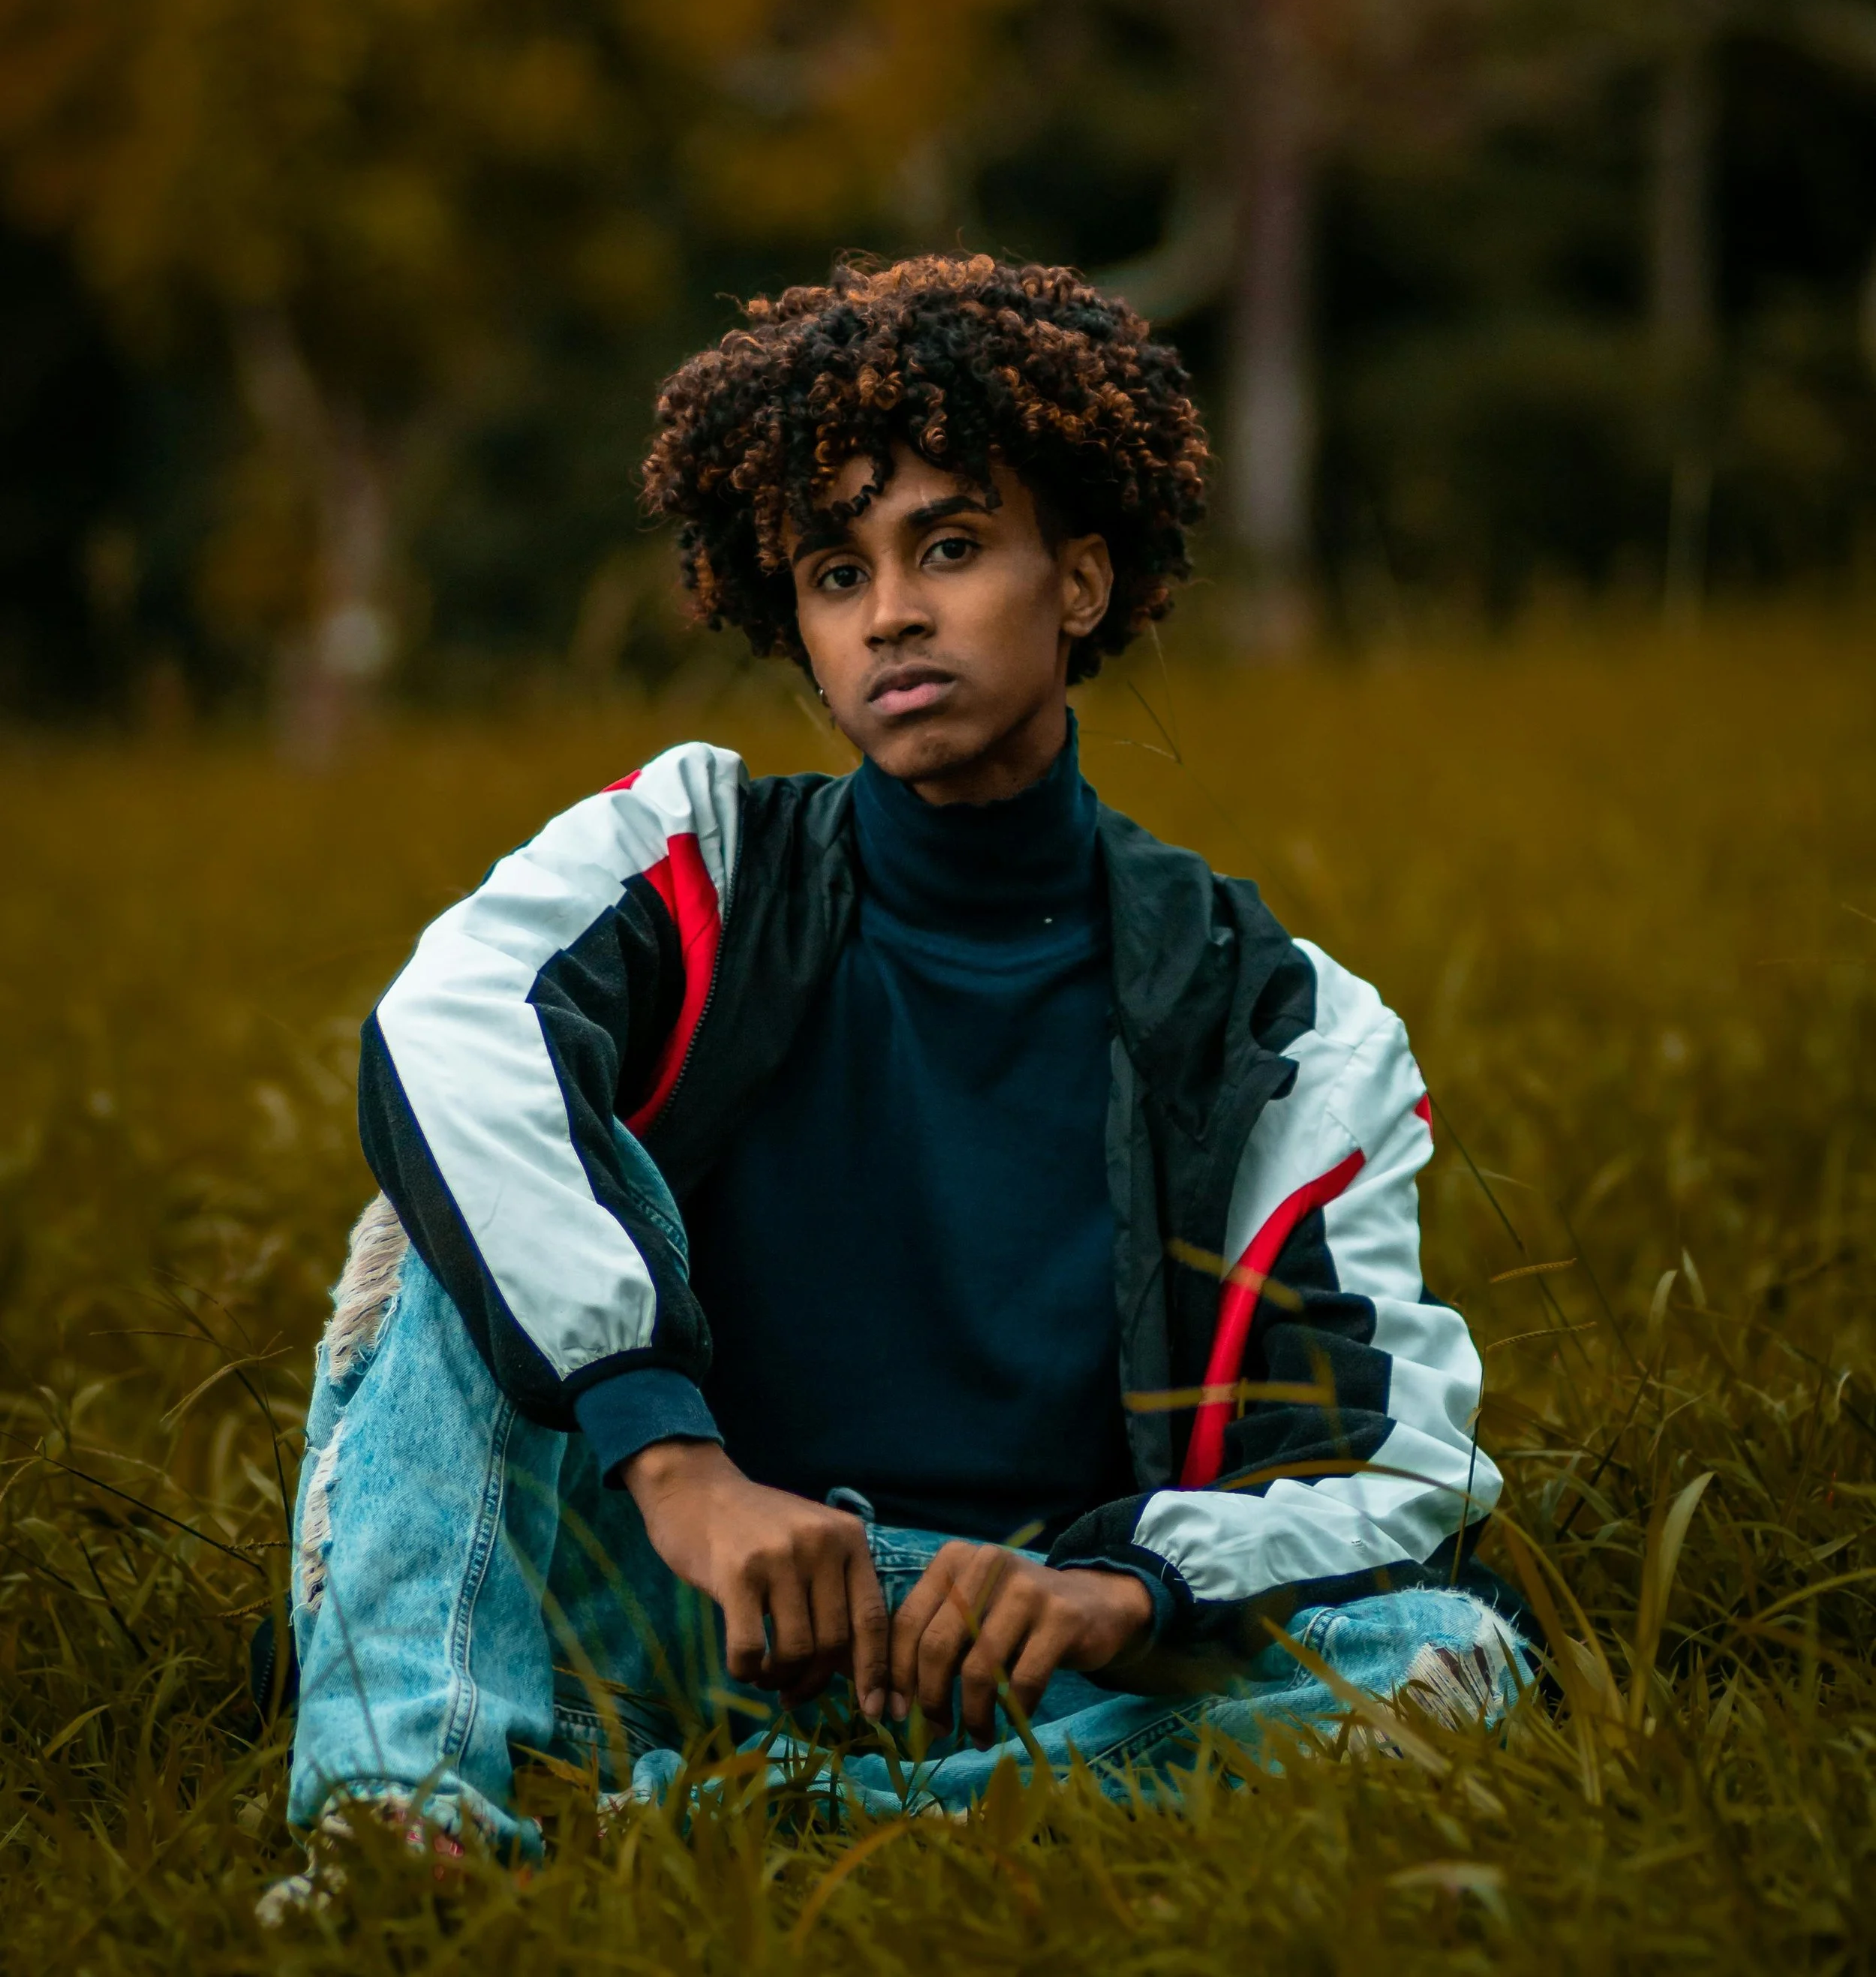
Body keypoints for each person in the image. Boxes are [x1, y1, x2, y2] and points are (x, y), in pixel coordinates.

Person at [274, 252, 1526, 1879]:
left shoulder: (1278, 1022)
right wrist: (678, 1462)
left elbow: (1384, 1452)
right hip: (663, 1571)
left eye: (947, 545)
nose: (894, 614)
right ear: (790, 622)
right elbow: (444, 1039)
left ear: (1077, 583)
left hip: (1001, 1642)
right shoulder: (688, 858)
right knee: (461, 1226)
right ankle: (404, 1826)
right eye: (833, 570)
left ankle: (764, 1825)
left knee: (1454, 1655)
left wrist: (1115, 1589)